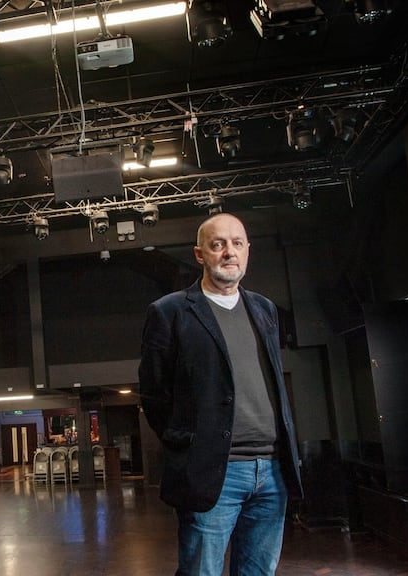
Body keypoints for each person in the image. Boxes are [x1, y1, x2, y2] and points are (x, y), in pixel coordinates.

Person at [138, 212, 303, 576]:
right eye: (218, 245)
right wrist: (188, 445)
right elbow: (153, 394)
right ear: (200, 254)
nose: (229, 252)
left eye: (237, 243)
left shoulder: (264, 309)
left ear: (247, 251)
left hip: (273, 471)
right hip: (213, 472)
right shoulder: (170, 312)